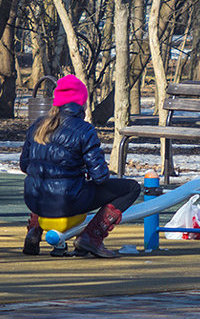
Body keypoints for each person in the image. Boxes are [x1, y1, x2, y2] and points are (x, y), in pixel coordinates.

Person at [20, 74, 141, 258]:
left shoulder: (38, 125)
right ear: (82, 103)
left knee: (43, 181)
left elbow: (24, 165)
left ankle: (34, 230)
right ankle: (92, 236)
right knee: (131, 188)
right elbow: (100, 177)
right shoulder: (84, 130)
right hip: (66, 202)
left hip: (35, 200)